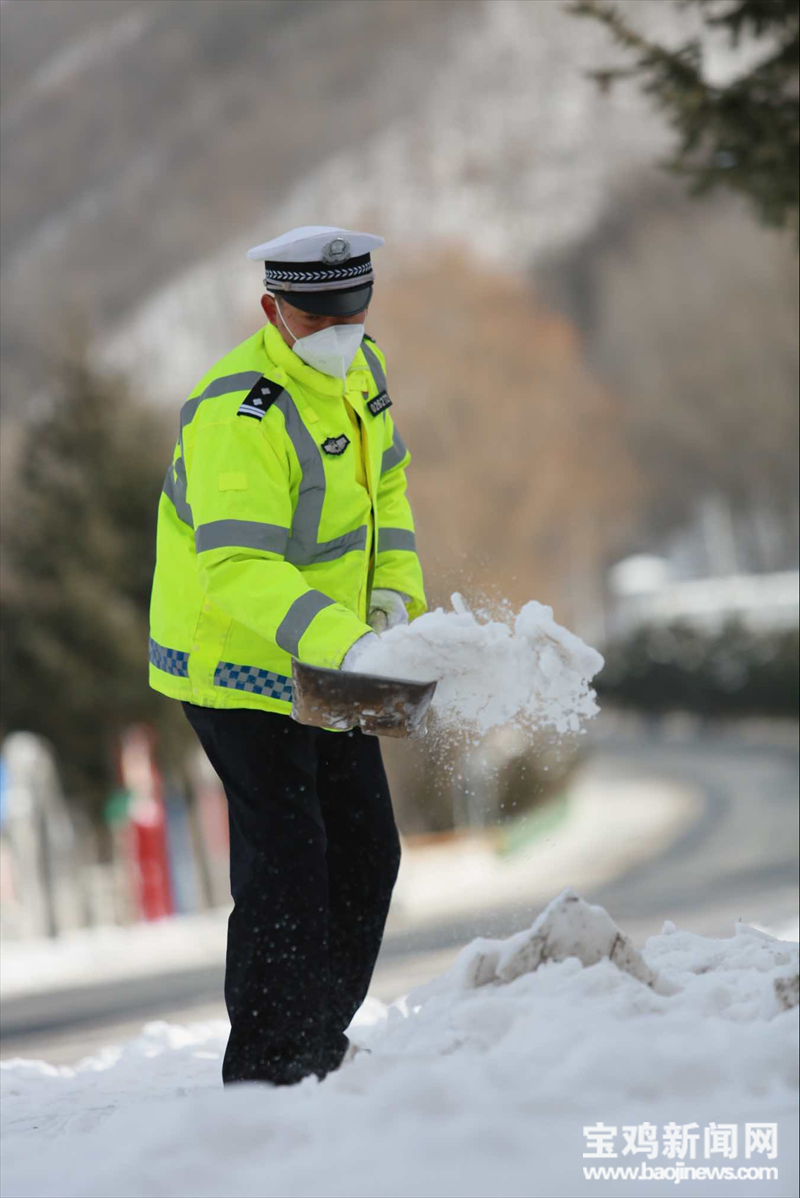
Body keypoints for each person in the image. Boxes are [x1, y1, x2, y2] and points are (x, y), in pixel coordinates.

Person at [148, 225, 426, 1085]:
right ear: (273, 309)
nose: (343, 329)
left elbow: (387, 491)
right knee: (289, 859)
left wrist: (393, 600)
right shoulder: (242, 410)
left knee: (368, 850)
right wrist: (347, 640)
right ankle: (269, 1069)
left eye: (355, 309)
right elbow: (236, 567)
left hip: (333, 651)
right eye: (319, 317)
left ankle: (319, 1038)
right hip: (234, 664)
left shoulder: (362, 372)